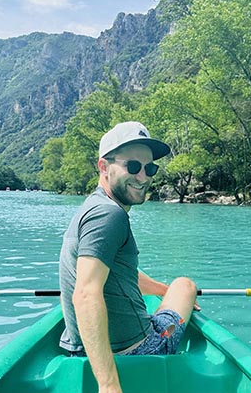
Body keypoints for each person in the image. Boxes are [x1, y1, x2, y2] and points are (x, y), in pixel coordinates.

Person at [59, 121, 198, 393]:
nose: (143, 177)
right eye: (132, 166)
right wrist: (109, 385)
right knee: (185, 285)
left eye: (150, 168)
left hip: (77, 350)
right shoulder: (110, 215)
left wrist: (162, 291)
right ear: (103, 166)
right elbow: (85, 294)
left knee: (172, 291)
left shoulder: (93, 206)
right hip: (135, 352)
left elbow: (118, 271)